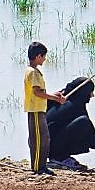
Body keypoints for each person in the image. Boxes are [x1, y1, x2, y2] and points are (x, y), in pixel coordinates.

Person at [47, 76, 95, 171]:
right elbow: (89, 132)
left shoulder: (57, 99)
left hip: (43, 146)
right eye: (91, 91)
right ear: (84, 92)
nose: (92, 95)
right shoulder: (76, 106)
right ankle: (59, 157)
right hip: (51, 147)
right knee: (84, 122)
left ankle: (59, 156)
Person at [24, 42, 65, 175]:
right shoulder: (33, 73)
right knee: (37, 139)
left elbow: (40, 91)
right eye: (44, 56)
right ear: (38, 56)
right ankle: (37, 167)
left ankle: (42, 165)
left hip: (40, 109)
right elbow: (37, 92)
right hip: (35, 110)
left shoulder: (35, 72)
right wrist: (55, 98)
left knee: (45, 138)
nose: (45, 59)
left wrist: (54, 95)